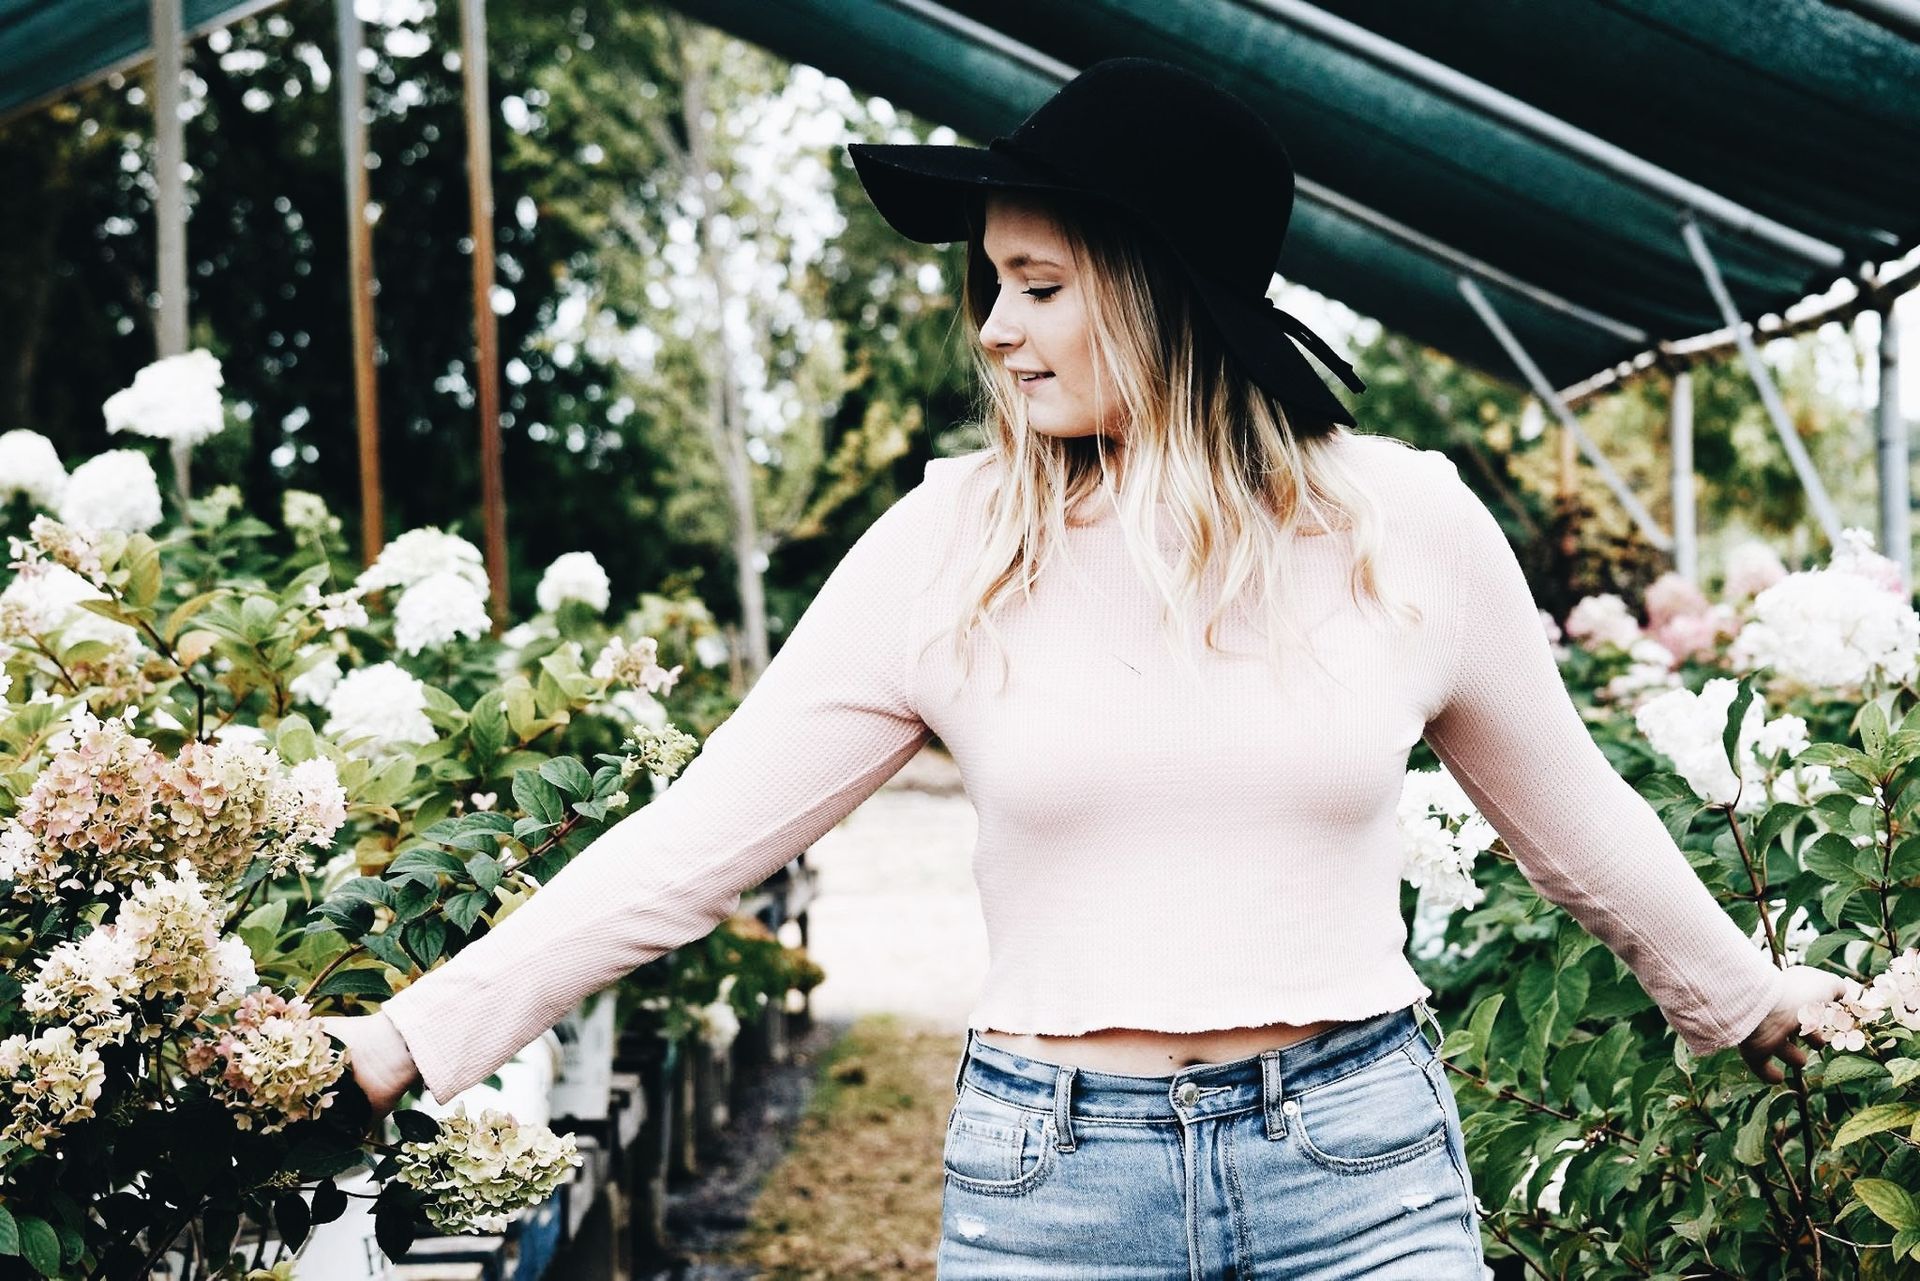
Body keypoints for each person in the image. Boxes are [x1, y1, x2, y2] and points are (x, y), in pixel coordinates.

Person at [326, 57, 1844, 1277]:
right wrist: (403, 1043)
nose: (995, 329)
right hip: (1055, 1185)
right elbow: (692, 844)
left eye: (1038, 285)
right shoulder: (951, 546)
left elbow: (1582, 828)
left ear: (1158, 283)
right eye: (992, 284)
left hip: (1361, 1167)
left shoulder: (1405, 523)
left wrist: (1763, 1006)